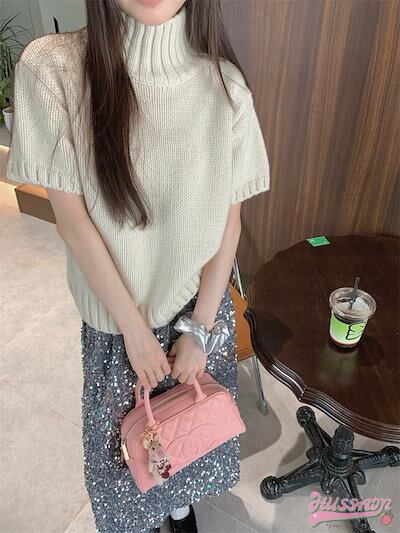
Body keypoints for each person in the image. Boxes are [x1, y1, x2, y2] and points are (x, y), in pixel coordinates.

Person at [6, 0, 270, 531]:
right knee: (126, 472)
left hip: (198, 315)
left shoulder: (227, 86)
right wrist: (134, 330)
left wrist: (200, 329)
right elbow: (73, 221)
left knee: (187, 441)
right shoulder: (53, 69)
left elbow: (229, 226)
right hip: (116, 328)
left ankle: (179, 507)